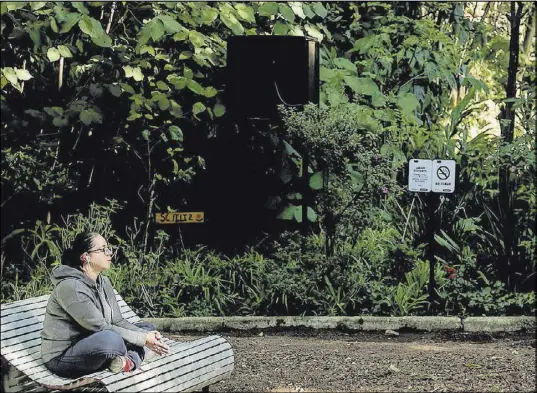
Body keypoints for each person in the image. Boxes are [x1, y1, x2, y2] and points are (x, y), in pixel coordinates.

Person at [41, 232, 169, 378]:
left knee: (147, 327)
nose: (110, 253)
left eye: (108, 248)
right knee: (113, 340)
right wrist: (143, 340)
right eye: (102, 250)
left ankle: (126, 362)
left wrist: (145, 335)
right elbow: (100, 328)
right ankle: (133, 358)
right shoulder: (71, 287)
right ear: (85, 257)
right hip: (63, 358)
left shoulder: (103, 282)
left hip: (94, 342)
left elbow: (117, 321)